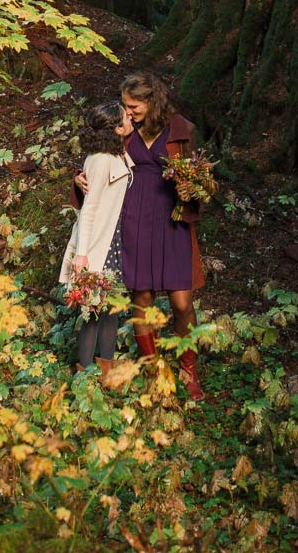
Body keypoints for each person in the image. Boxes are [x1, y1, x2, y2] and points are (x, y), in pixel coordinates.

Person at [75, 72, 205, 400]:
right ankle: (152, 368)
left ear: (152, 101)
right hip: (131, 219)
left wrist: (196, 187)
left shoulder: (180, 130)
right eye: (125, 106)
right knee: (142, 298)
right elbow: (97, 158)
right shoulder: (124, 131)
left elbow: (200, 176)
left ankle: (188, 367)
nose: (128, 111)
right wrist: (79, 180)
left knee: (182, 301)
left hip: (171, 221)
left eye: (134, 106)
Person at [60, 101, 133, 376]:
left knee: (110, 308)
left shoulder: (116, 153)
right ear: (115, 128)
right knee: (92, 311)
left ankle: (107, 367)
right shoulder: (102, 159)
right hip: (97, 245)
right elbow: (88, 209)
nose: (131, 120)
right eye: (126, 118)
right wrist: (81, 254)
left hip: (113, 242)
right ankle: (85, 373)